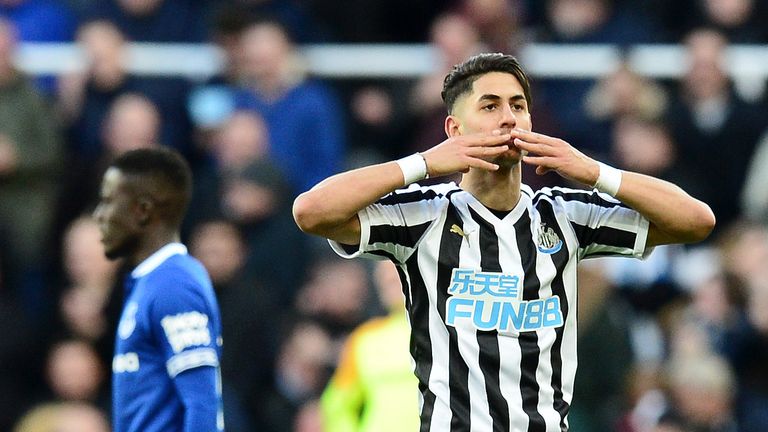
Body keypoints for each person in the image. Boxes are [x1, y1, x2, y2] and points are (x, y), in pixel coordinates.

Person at [293, 53, 715, 431]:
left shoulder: (565, 213)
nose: (509, 118)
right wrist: (423, 163)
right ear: (454, 128)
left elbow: (695, 221)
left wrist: (593, 171)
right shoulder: (422, 214)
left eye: (518, 106)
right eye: (490, 106)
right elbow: (311, 212)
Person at [93, 147, 224, 431]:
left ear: (142, 210)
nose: (98, 215)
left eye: (107, 202)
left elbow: (202, 401)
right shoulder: (152, 282)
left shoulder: (174, 285)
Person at [320, 260, 420, 432]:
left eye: (395, 273)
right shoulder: (364, 339)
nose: (389, 279)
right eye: (384, 275)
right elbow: (336, 405)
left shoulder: (445, 332)